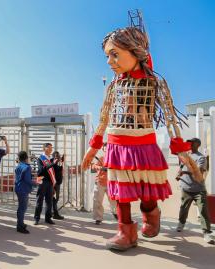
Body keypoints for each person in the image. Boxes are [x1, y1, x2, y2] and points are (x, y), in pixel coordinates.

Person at [82, 27, 201, 251]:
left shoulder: (156, 82)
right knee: (120, 194)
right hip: (116, 146)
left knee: (146, 190)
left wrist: (180, 147)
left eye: (114, 54)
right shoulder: (113, 86)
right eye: (107, 55)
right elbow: (103, 118)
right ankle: (125, 232)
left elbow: (170, 117)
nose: (109, 61)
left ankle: (151, 214)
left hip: (143, 144)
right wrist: (93, 148)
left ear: (135, 51)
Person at [176, 138, 215, 244]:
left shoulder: (201, 157)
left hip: (199, 189)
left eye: (191, 143)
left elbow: (198, 172)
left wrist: (184, 172)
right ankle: (181, 223)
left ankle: (207, 233)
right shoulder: (185, 155)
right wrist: (179, 174)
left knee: (203, 210)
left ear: (197, 145)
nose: (189, 144)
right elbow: (181, 167)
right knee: (183, 208)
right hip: (186, 188)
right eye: (188, 142)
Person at [91, 145, 117, 225]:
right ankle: (98, 218)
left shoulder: (115, 158)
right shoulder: (101, 158)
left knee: (114, 201)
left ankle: (116, 214)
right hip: (100, 181)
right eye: (105, 147)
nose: (106, 149)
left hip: (112, 183)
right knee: (97, 201)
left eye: (108, 147)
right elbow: (93, 167)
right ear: (103, 149)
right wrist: (100, 168)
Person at [34, 143, 56, 225]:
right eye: (49, 148)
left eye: (51, 148)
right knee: (39, 201)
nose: (51, 149)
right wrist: (51, 164)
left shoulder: (51, 158)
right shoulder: (40, 158)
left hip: (50, 182)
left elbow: (54, 170)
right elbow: (41, 171)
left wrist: (60, 162)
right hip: (42, 181)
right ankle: (36, 218)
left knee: (49, 201)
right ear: (44, 148)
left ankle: (48, 218)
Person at [15, 151, 34, 234]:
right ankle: (20, 226)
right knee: (23, 208)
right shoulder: (27, 167)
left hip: (18, 188)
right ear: (26, 158)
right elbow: (27, 180)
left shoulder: (18, 165)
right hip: (23, 189)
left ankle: (20, 223)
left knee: (21, 207)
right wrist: (36, 182)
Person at [51, 151, 64, 220]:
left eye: (58, 156)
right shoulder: (52, 164)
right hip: (54, 184)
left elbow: (61, 171)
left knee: (56, 198)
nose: (57, 157)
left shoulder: (58, 163)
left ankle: (53, 212)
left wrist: (62, 162)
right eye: (56, 156)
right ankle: (54, 213)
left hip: (58, 183)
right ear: (53, 157)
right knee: (54, 198)